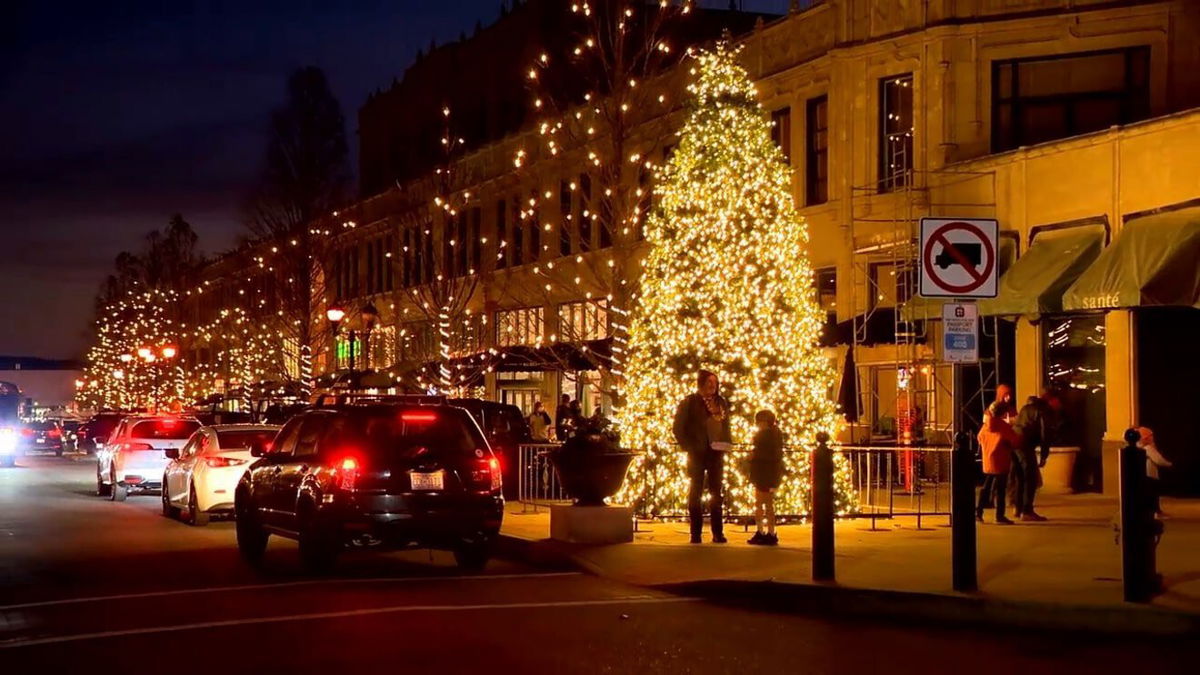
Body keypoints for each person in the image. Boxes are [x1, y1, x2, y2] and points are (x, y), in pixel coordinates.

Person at [672, 370, 733, 544]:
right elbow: (678, 427)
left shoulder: (720, 402)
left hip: (716, 453)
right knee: (695, 493)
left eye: (715, 382)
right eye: (709, 382)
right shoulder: (690, 402)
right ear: (701, 383)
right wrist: (689, 447)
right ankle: (696, 533)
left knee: (716, 493)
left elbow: (726, 424)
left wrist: (727, 442)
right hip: (697, 453)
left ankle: (717, 533)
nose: (712, 385)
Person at [1010, 389, 1060, 522]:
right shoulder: (1043, 411)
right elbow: (1045, 434)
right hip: (1025, 444)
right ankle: (1027, 511)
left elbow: (1017, 424)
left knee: (1019, 477)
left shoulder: (1026, 407)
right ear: (1051, 400)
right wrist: (1044, 454)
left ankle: (1018, 507)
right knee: (1030, 478)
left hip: (1014, 442)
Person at [976, 384, 1020, 525]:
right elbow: (1015, 440)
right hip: (1001, 460)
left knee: (986, 486)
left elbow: (980, 437)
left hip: (988, 460)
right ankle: (999, 516)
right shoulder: (1003, 427)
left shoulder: (986, 425)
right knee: (1000, 489)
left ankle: (978, 512)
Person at [747, 410, 784, 546]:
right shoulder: (775, 435)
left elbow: (770, 456)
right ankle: (767, 532)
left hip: (765, 474)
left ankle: (766, 532)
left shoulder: (767, 437)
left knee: (763, 504)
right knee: (764, 504)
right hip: (767, 474)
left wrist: (754, 456)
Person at [1136, 426, 1172, 517]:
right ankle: (1155, 512)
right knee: (1153, 495)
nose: (1152, 438)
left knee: (1147, 494)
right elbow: (1158, 460)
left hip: (1142, 475)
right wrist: (1169, 464)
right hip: (1150, 474)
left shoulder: (1138, 447)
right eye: (1150, 436)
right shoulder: (1148, 448)